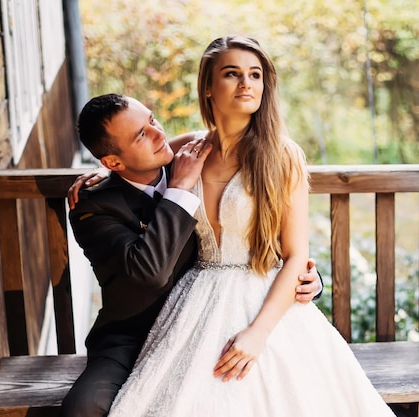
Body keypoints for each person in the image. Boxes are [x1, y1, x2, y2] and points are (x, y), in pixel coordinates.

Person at [97, 35, 397, 416]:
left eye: (255, 75)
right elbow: (132, 161)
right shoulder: (189, 150)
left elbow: (296, 255)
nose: (246, 84)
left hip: (264, 298)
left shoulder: (282, 155)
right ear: (208, 87)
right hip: (198, 298)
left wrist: (257, 335)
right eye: (232, 73)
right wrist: (94, 175)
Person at [62, 92, 322, 417]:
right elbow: (149, 273)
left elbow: (243, 231)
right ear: (113, 162)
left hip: (203, 320)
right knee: (84, 407)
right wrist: (179, 191)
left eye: (152, 120)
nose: (159, 136)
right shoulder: (94, 207)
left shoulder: (184, 161)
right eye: (142, 135)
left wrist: (307, 277)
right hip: (133, 334)